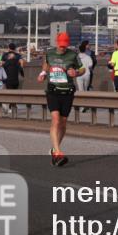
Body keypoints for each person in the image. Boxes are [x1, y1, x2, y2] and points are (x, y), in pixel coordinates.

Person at [38, 32, 85, 166]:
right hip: (53, 90)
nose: (62, 48)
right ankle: (58, 152)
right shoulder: (49, 53)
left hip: (67, 91)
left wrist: (76, 73)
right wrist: (42, 73)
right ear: (56, 42)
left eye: (65, 46)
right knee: (56, 119)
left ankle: (54, 149)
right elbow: (46, 65)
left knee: (63, 123)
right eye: (61, 45)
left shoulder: (73, 55)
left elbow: (83, 69)